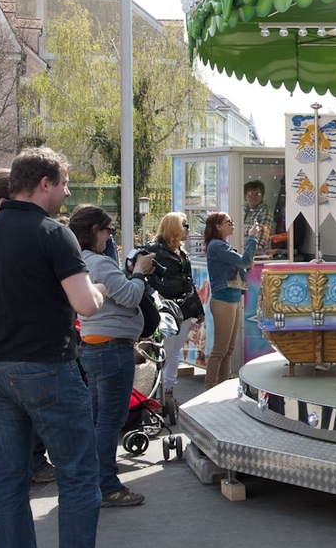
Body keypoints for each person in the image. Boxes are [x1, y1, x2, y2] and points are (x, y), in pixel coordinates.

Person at [0, 146, 142, 548]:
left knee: (7, 479)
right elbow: (85, 305)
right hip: (45, 367)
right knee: (80, 475)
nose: (66, 193)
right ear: (43, 182)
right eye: (63, 183)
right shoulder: (53, 234)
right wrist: (100, 289)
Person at [70, 205, 153, 509]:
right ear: (95, 230)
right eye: (108, 230)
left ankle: (92, 481)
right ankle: (107, 486)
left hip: (93, 346)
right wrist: (140, 274)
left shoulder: (78, 261)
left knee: (96, 418)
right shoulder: (99, 263)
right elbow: (131, 297)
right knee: (109, 421)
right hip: (111, 348)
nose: (110, 237)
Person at [144, 212, 202, 407]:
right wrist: (155, 295)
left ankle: (168, 392)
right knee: (166, 352)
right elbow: (141, 274)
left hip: (183, 308)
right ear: (174, 227)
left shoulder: (181, 251)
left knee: (175, 351)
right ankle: (158, 393)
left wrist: (198, 309)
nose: (188, 229)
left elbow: (189, 282)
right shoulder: (154, 249)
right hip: (165, 309)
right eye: (185, 225)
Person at [203, 211, 260, 390]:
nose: (232, 224)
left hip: (232, 300)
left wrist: (244, 265)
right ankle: (210, 387)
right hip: (224, 302)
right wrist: (252, 238)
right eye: (229, 221)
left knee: (228, 350)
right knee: (220, 350)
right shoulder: (217, 246)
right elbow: (243, 261)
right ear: (218, 227)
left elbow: (240, 265)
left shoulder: (221, 246)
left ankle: (221, 387)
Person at [242, 180, 274, 254]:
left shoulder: (266, 211)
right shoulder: (242, 209)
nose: (253, 196)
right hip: (241, 254)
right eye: (250, 193)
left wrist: (251, 252)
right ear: (245, 196)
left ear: (262, 196)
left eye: (257, 194)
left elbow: (263, 235)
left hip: (258, 255)